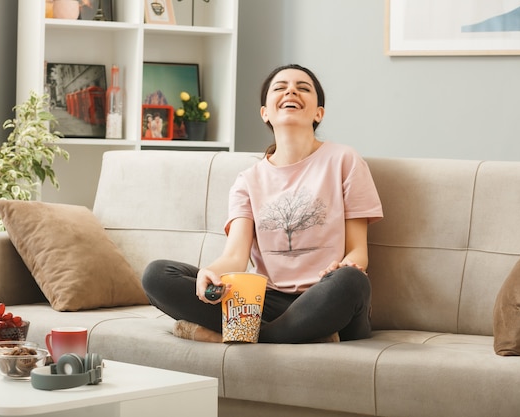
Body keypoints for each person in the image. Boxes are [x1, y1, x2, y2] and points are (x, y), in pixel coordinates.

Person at [142, 64, 383, 343]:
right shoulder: (248, 180)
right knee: (157, 275)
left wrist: (342, 268)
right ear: (265, 113)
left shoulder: (344, 160)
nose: (291, 90)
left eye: (303, 88)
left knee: (352, 281)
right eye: (280, 87)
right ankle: (289, 335)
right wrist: (210, 273)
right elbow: (235, 257)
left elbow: (358, 252)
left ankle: (240, 336)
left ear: (319, 113)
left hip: (326, 298)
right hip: (267, 302)